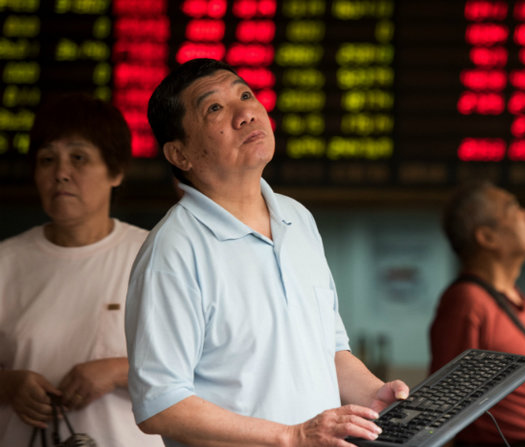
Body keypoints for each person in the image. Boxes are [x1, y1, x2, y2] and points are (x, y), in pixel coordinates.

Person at [124, 58, 409, 447]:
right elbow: (161, 404)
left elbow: (331, 351)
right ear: (180, 155)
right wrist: (291, 437)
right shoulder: (173, 249)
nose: (246, 113)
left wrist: (375, 396)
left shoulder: (297, 218)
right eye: (215, 108)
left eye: (245, 94)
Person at [0, 93, 163, 446]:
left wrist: (120, 372)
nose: (60, 173)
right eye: (47, 160)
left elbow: (213, 366)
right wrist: (8, 386)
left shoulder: (155, 255)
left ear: (116, 171)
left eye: (79, 158)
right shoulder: (6, 262)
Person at [429, 181, 525, 447]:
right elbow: (445, 405)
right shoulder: (468, 301)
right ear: (487, 237)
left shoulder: (513, 300)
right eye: (513, 208)